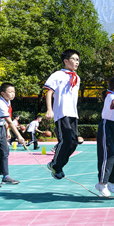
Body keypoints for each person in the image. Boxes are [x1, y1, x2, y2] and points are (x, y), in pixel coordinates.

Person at [44, 49, 81, 180]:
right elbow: (49, 92)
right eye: (74, 59)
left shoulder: (77, 78)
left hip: (73, 114)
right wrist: (49, 109)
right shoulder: (57, 75)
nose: (77, 62)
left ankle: (57, 165)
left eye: (78, 60)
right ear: (66, 61)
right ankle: (56, 165)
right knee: (66, 141)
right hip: (62, 113)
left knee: (74, 142)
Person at [0, 83, 26, 188]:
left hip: (1, 127)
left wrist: (6, 130)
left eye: (14, 92)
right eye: (10, 92)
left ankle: (5, 176)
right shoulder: (0, 104)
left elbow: (6, 120)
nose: (12, 94)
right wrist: (19, 137)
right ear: (2, 93)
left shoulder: (8, 102)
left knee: (5, 151)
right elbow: (11, 122)